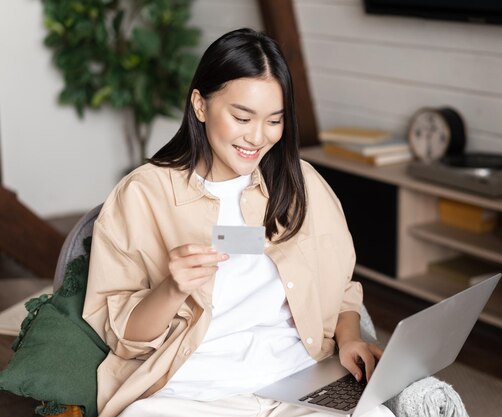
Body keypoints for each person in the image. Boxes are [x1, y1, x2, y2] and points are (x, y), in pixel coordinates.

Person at [82, 28, 394, 417]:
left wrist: (348, 340)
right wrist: (172, 288)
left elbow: (340, 288)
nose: (258, 137)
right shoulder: (142, 195)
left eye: (274, 120)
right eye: (242, 117)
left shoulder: (302, 183)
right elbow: (122, 336)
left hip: (297, 382)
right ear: (200, 105)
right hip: (193, 394)